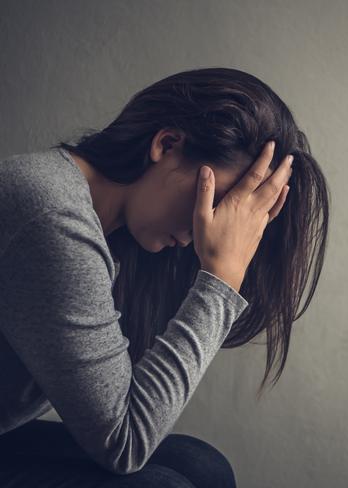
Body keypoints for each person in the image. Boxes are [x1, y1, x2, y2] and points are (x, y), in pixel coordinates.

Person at [0, 67, 330, 486]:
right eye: (218, 203)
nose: (208, 229)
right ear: (167, 144)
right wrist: (222, 278)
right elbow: (125, 442)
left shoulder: (106, 232)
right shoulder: (53, 215)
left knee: (200, 464)